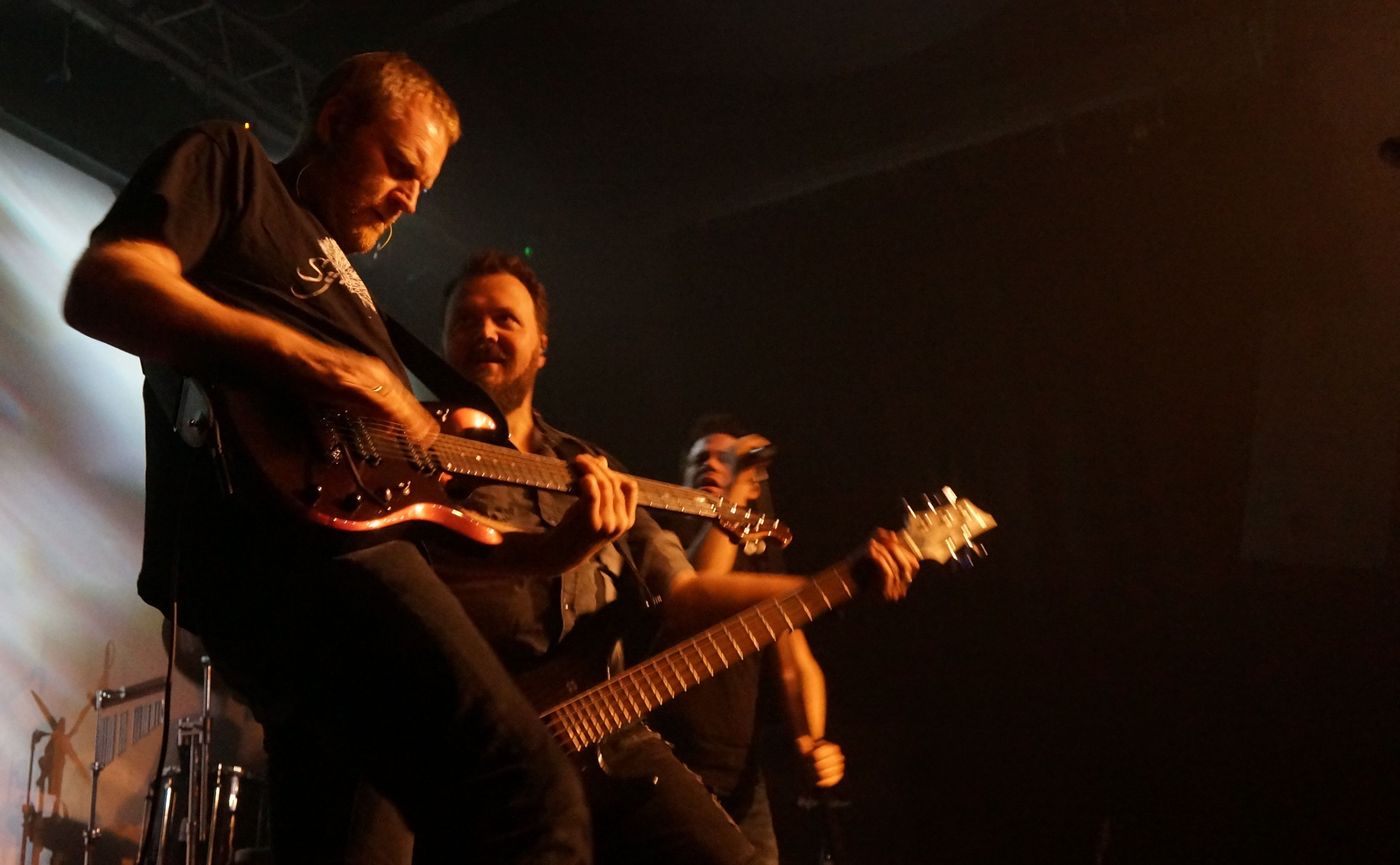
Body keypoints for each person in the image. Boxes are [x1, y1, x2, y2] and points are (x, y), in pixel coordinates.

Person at [64, 52, 593, 864]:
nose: (410, 198)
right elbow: (105, 286)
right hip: (290, 555)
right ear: (336, 121)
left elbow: (414, 528)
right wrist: (330, 366)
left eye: (424, 186)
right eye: (401, 165)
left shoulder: (359, 297)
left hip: (337, 565)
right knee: (530, 793)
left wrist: (557, 550)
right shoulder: (233, 163)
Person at [434, 249, 920, 865]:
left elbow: (685, 593)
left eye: (506, 319)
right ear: (443, 340)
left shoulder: (589, 467)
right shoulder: (418, 458)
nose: (485, 332)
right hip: (474, 746)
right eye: (466, 320)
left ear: (541, 347)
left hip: (605, 733)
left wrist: (845, 576)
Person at [648, 417, 843, 865]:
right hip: (667, 765)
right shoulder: (662, 540)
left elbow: (795, 664)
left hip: (740, 777)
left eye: (727, 459)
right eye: (700, 459)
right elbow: (698, 591)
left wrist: (811, 741)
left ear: (756, 486)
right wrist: (735, 493)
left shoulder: (761, 558)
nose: (712, 465)